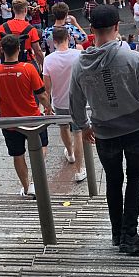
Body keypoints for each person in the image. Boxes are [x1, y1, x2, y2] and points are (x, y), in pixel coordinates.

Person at [69, 6, 139, 255]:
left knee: (113, 181)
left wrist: (83, 126)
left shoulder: (80, 64)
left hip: (104, 132)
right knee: (135, 177)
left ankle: (117, 233)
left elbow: (74, 99)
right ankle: (130, 234)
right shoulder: (132, 57)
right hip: (135, 128)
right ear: (117, 27)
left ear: (92, 30)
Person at [0, 34, 52, 198]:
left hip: (10, 121)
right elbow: (42, 95)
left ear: (2, 50)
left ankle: (26, 187)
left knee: (17, 155)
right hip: (32, 119)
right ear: (19, 49)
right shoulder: (28, 68)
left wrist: (1, 109)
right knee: (41, 147)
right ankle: (36, 181)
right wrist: (49, 109)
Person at [43, 27, 85, 183]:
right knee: (78, 132)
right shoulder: (78, 55)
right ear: (69, 38)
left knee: (64, 128)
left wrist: (47, 105)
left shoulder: (48, 59)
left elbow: (46, 87)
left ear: (54, 41)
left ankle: (70, 152)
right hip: (78, 100)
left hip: (59, 100)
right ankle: (79, 170)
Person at [0, 0, 44, 67]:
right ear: (25, 10)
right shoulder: (31, 29)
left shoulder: (3, 27)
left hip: (6, 65)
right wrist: (44, 65)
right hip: (26, 64)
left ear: (13, 10)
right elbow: (38, 51)